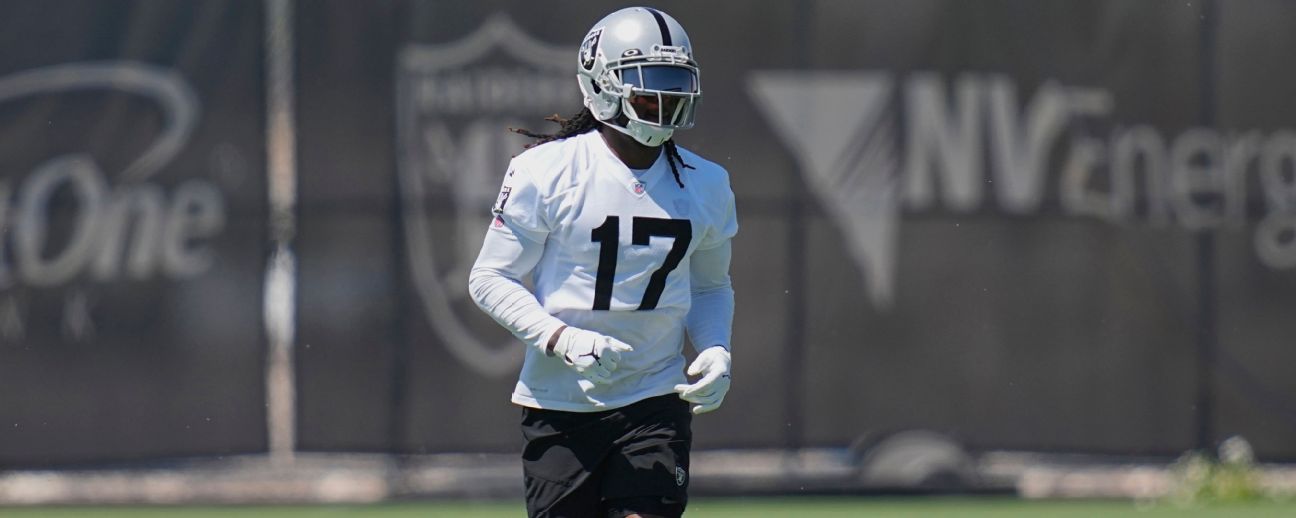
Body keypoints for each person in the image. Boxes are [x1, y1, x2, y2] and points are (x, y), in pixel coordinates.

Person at [466, 6, 736, 518]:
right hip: (561, 405)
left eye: (676, 82)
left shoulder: (706, 183)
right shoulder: (546, 171)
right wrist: (562, 338)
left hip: (656, 396)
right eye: (648, 84)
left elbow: (710, 286)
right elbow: (489, 278)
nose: (666, 99)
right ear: (602, 86)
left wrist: (717, 348)